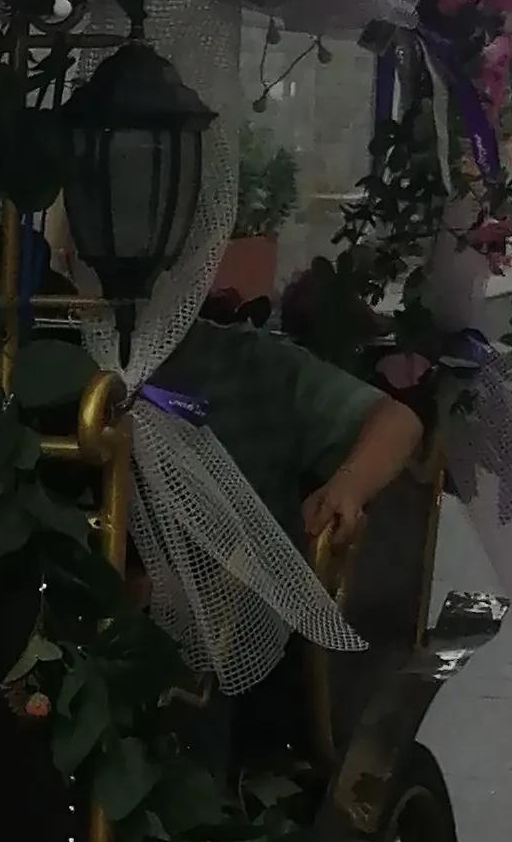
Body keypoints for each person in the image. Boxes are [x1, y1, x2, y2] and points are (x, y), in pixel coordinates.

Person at [156, 233, 423, 583]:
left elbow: (398, 422)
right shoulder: (73, 355)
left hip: (242, 609)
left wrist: (345, 489)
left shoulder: (251, 361)